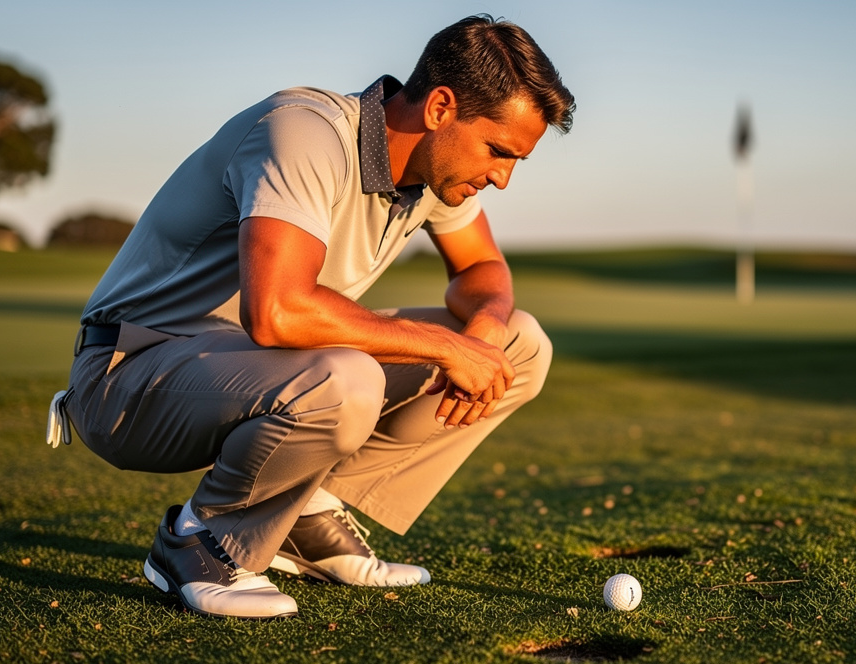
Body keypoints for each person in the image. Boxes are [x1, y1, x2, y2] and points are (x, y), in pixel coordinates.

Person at [45, 15, 574, 619]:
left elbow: (482, 270)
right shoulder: (306, 132)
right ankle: (201, 540)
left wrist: (481, 334)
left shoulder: (434, 174)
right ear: (440, 108)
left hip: (252, 371)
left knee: (519, 345)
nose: (502, 178)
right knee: (347, 380)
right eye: (499, 151)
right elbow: (276, 312)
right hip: (127, 374)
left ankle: (305, 512)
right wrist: (443, 347)